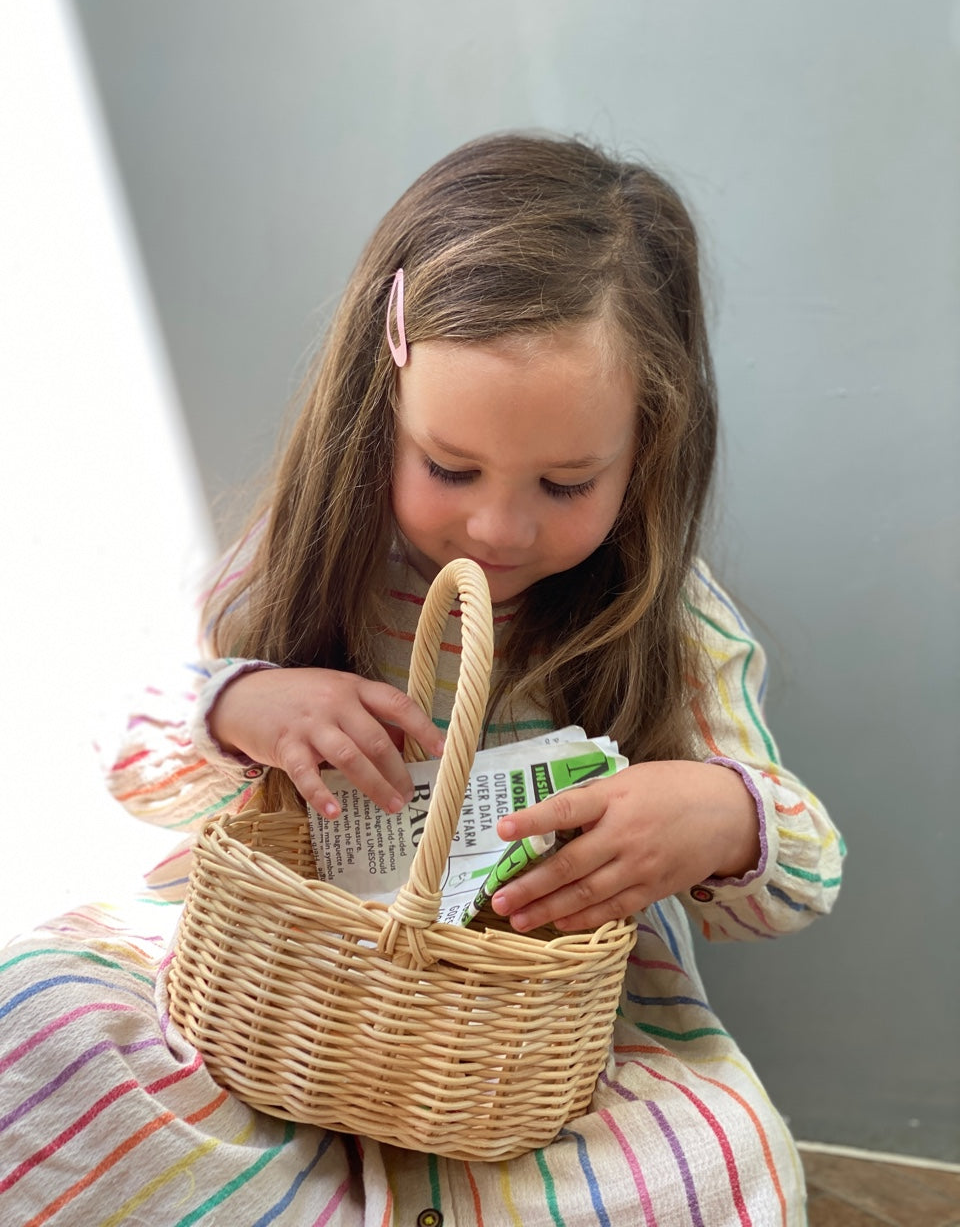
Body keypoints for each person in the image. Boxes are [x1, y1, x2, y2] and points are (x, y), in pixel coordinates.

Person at [0, 133, 843, 1225]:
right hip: (273, 1005)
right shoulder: (309, 556)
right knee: (37, 1011)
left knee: (726, 1157)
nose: (499, 524)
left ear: (649, 450)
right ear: (382, 409)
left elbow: (805, 868)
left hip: (532, 1063)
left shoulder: (671, 623)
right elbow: (136, 765)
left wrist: (723, 815)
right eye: (450, 467)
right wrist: (240, 704)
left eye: (567, 481)